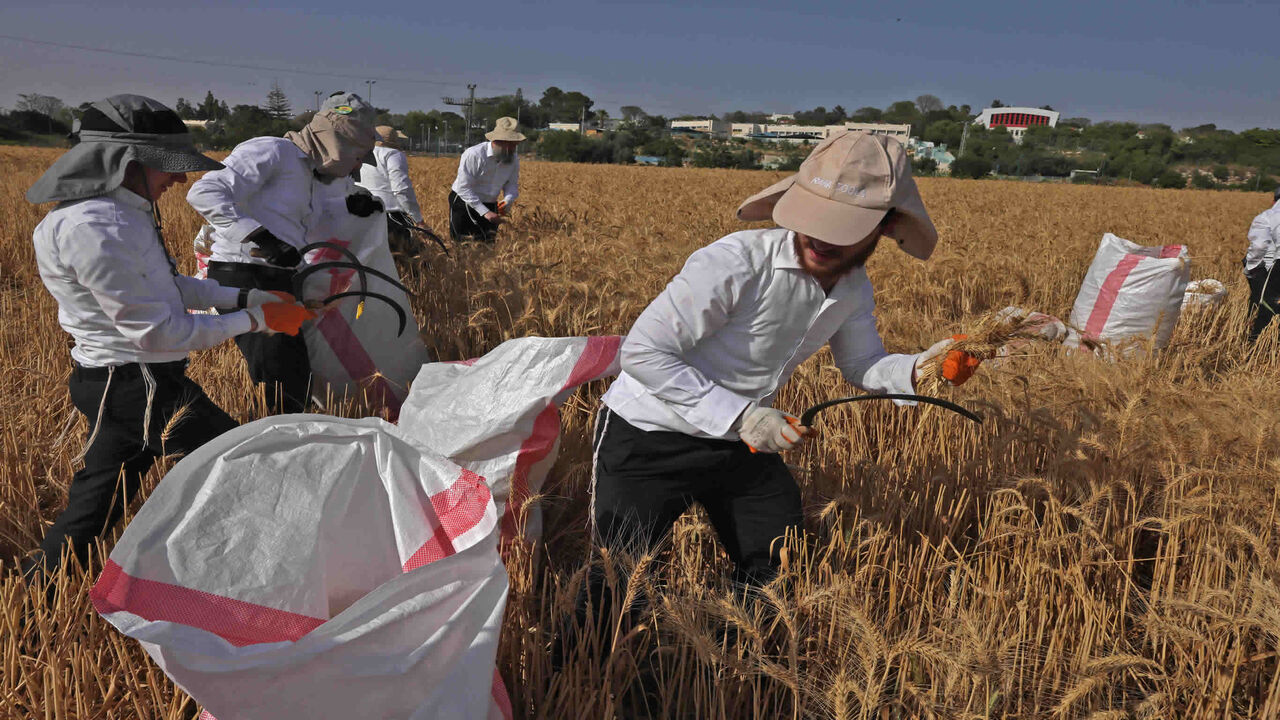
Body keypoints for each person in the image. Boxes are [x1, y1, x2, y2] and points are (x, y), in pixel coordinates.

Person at [591, 131, 984, 586]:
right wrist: (741, 417)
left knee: (776, 570)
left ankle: (735, 656)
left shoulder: (853, 289)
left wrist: (924, 367)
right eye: (816, 217)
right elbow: (644, 352)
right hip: (651, 434)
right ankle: (593, 656)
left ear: (888, 227)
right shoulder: (736, 261)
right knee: (618, 583)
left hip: (746, 443)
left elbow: (863, 365)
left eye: (843, 227)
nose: (819, 238)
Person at [22, 94, 314, 578]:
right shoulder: (97, 227)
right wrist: (261, 322)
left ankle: (38, 594)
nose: (179, 179)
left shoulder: (118, 214)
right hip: (139, 384)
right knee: (246, 468)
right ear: (125, 160)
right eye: (168, 165)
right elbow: (159, 333)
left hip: (128, 383)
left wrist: (248, 301)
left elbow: (168, 287)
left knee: (94, 510)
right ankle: (245, 581)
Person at [187, 91, 380, 413]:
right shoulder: (272, 151)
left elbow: (305, 219)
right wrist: (263, 239)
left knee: (293, 377)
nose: (357, 165)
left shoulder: (313, 176)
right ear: (338, 142)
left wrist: (352, 204)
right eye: (358, 155)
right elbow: (205, 192)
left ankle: (277, 437)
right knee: (280, 382)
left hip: (282, 279)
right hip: (245, 275)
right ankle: (265, 444)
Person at [448, 117, 523, 243]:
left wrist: (507, 200)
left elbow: (511, 184)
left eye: (515, 144)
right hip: (464, 201)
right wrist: (485, 213)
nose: (513, 149)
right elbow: (463, 188)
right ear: (497, 141)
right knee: (462, 246)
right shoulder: (474, 154)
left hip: (490, 204)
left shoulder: (513, 158)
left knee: (488, 246)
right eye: (510, 144)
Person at [358, 125, 426, 255]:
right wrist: (418, 220)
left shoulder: (360, 153)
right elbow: (401, 189)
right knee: (408, 260)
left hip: (360, 215)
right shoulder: (393, 154)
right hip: (389, 215)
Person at [1244, 186, 1280, 341]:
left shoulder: (1268, 216)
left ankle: (1257, 349)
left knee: (1268, 310)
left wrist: (1251, 268)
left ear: (1274, 201)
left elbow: (1259, 246)